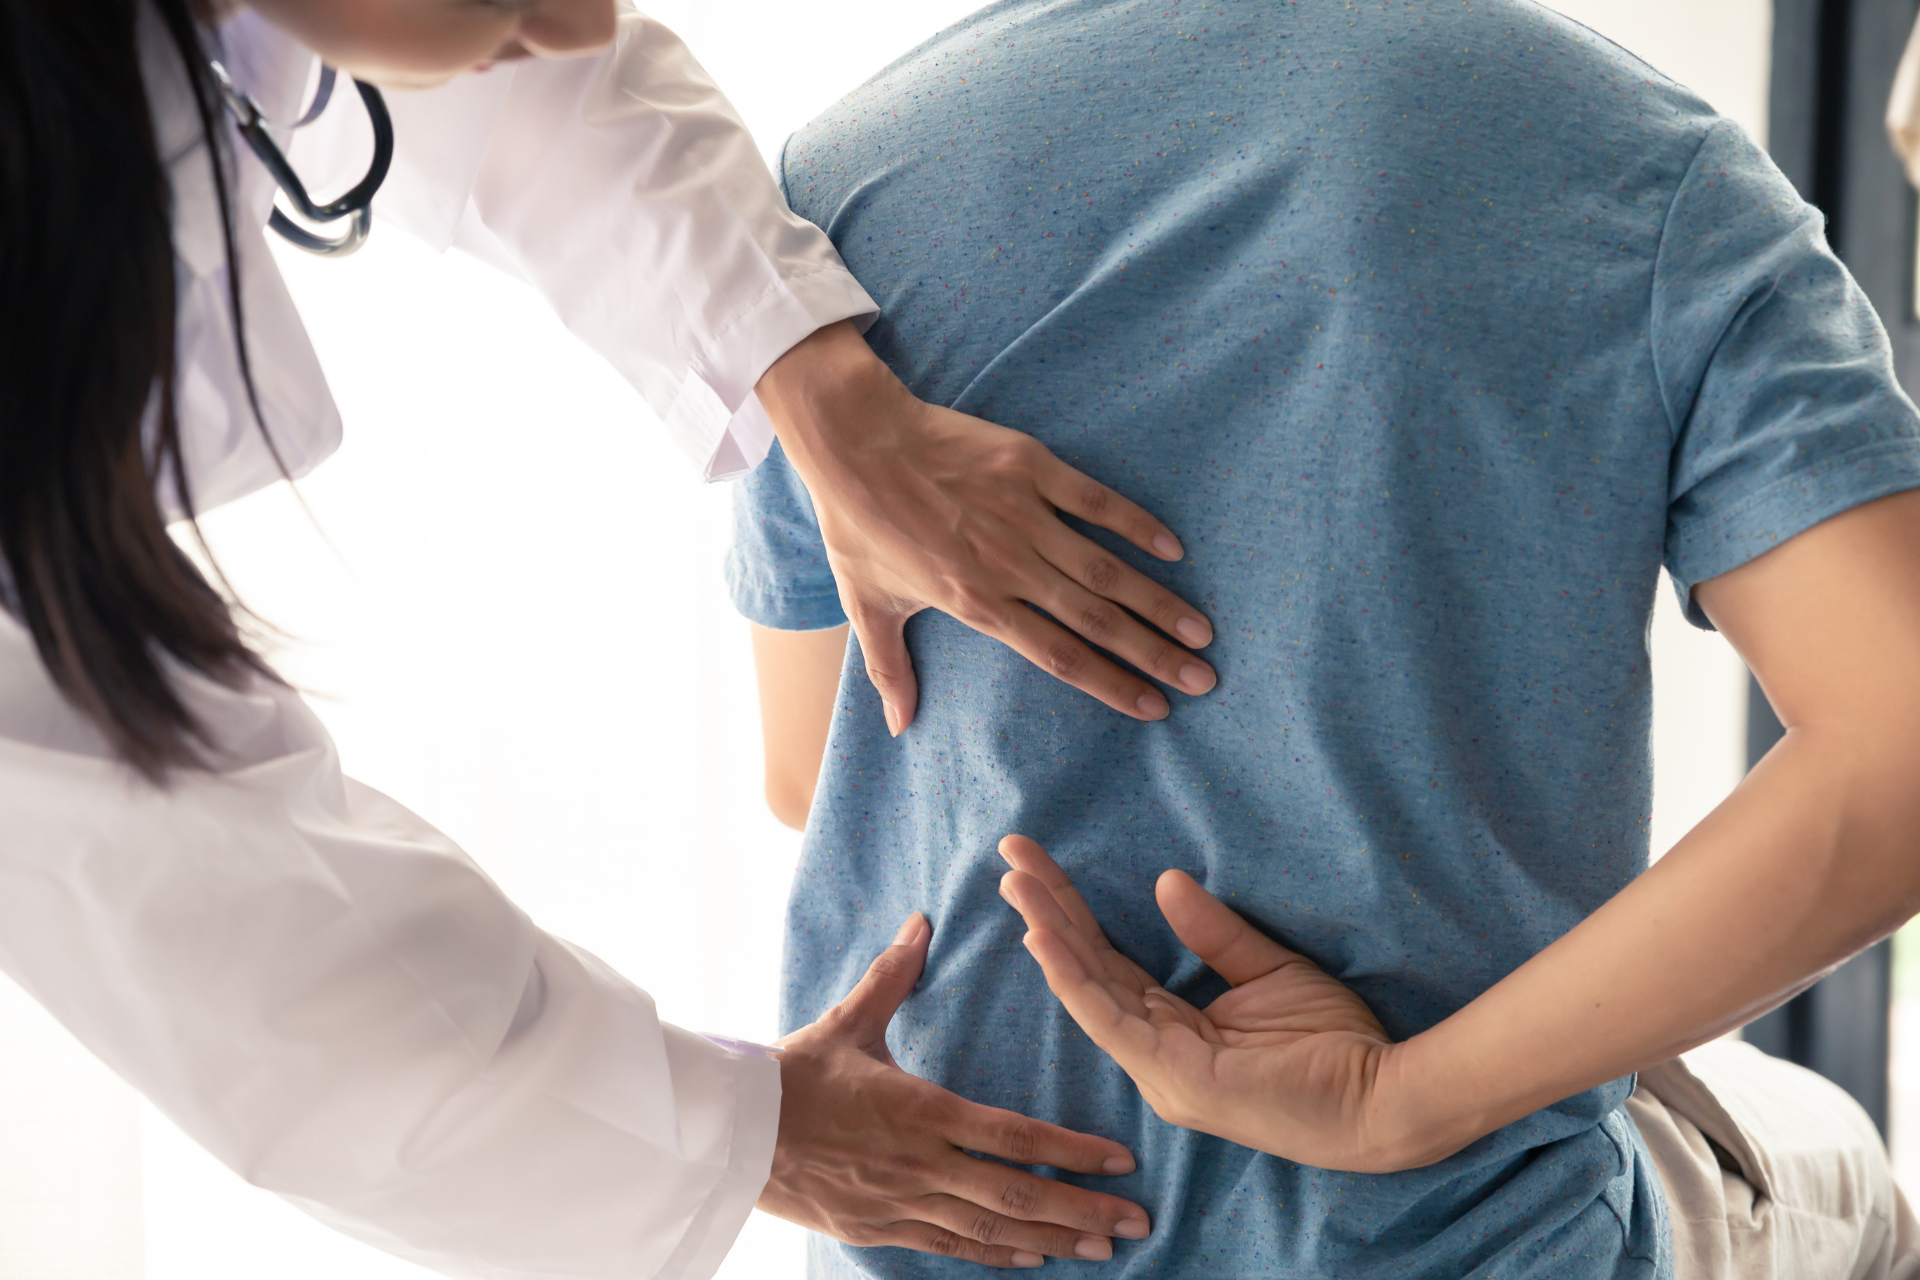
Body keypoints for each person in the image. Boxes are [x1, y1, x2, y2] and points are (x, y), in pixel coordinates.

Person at [0, 0, 1239, 1274]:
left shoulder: (874, 167)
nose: (587, 18)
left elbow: (808, 773)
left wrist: (818, 385)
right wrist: (747, 1134)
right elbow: (187, 901)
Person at [734, 0, 1920, 1276]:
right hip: (1458, 1237)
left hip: (951, 1234)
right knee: (1844, 1160)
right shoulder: (1650, 168)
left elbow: (810, 768)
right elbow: (1900, 750)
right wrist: (1400, 1099)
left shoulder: (824, 189)